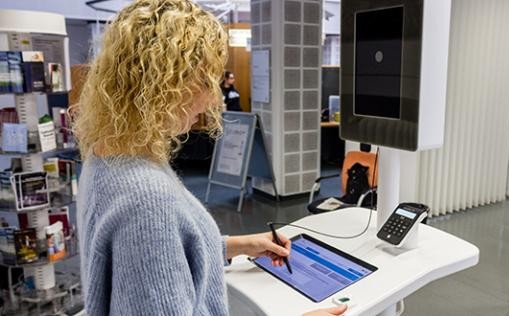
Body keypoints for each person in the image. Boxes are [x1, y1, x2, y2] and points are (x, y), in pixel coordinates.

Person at [72, 1, 347, 315]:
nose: (209, 100)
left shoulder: (108, 156)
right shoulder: (147, 199)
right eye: (204, 82)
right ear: (164, 84)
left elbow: (158, 259)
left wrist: (239, 246)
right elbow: (152, 239)